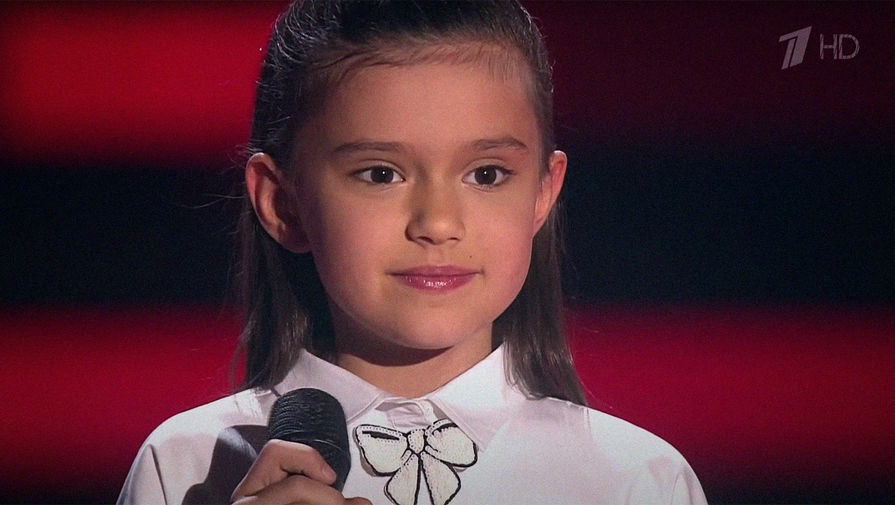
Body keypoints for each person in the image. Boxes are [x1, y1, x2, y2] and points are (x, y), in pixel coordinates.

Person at [118, 1, 707, 504]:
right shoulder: (187, 468)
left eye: (486, 174)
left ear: (542, 194)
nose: (437, 224)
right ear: (283, 203)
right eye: (380, 174)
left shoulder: (637, 481)